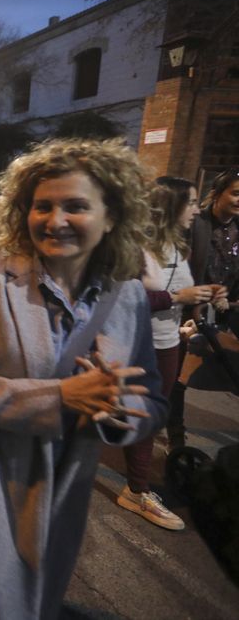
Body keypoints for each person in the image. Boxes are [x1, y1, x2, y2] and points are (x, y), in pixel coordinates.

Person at [0, 138, 167, 620]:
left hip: (65, 491)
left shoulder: (128, 296)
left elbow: (152, 398)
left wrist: (119, 414)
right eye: (42, 206)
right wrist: (61, 397)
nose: (56, 220)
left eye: (76, 206)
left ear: (110, 216)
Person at [124, 177, 216, 530]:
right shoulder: (137, 249)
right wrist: (180, 299)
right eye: (191, 203)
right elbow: (125, 299)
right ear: (169, 206)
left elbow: (181, 292)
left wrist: (196, 308)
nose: (196, 210)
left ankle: (135, 482)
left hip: (168, 343)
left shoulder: (179, 248)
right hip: (136, 346)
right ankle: (137, 490)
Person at [172, 171, 239, 446]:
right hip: (188, 310)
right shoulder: (194, 224)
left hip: (225, 308)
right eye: (235, 192)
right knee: (177, 376)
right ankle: (175, 435)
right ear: (218, 192)